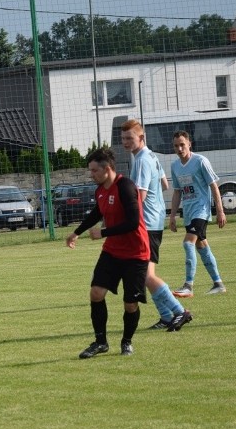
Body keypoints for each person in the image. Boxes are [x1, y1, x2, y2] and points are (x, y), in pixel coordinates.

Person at [66, 147, 150, 359]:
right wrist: (77, 232)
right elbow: (97, 213)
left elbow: (132, 222)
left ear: (108, 169)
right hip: (112, 252)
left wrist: (103, 232)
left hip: (136, 253)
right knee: (96, 293)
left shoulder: (126, 187)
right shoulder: (100, 190)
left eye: (94, 170)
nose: (91, 174)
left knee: (130, 304)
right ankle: (100, 342)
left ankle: (127, 341)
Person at [121, 119, 193, 332]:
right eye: (123, 138)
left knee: (145, 275)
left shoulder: (142, 160)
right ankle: (165, 316)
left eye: (129, 138)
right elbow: (164, 184)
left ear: (141, 138)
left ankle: (180, 311)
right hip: (154, 221)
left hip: (147, 225)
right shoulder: (152, 156)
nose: (125, 142)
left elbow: (140, 197)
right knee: (145, 274)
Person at [168, 130, 227, 298]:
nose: (179, 149)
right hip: (188, 212)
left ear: (189, 144)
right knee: (202, 246)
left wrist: (220, 211)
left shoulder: (201, 161)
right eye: (176, 146)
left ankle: (188, 285)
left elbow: (214, 186)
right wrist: (172, 216)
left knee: (188, 243)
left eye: (182, 145)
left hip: (201, 210)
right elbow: (178, 192)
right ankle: (218, 283)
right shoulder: (175, 166)